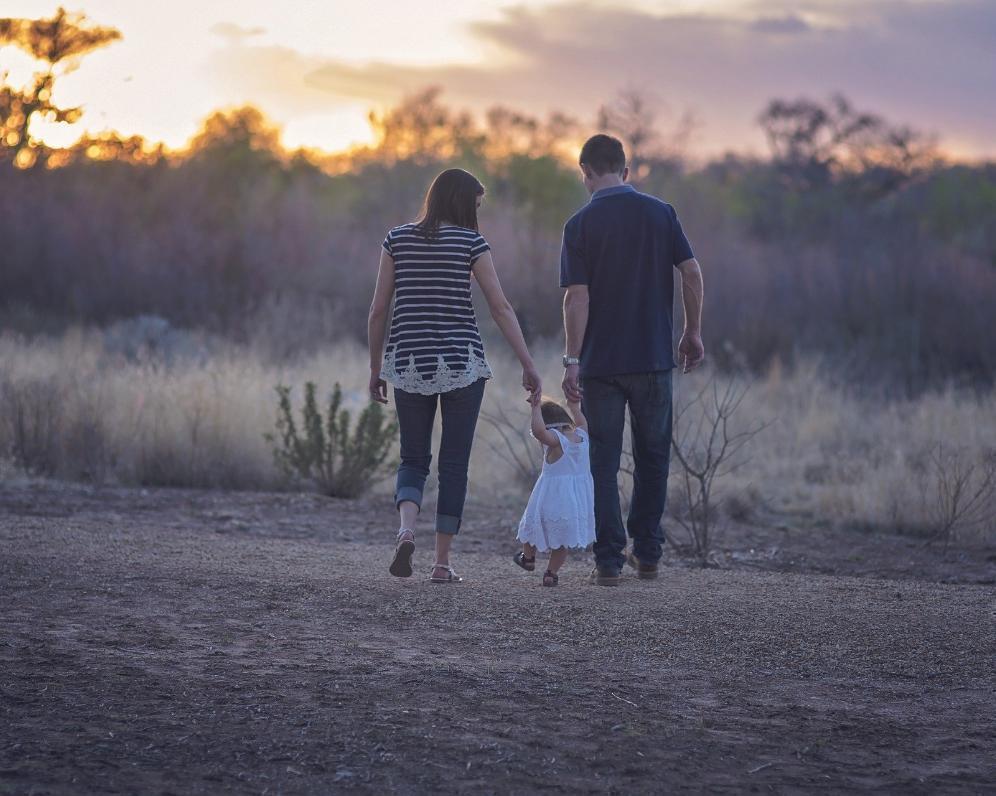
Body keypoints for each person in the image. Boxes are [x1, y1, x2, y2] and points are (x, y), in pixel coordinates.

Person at [368, 168, 542, 583]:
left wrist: (376, 368)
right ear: (463, 203)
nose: (477, 213)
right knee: (454, 465)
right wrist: (528, 363)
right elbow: (500, 308)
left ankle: (407, 529)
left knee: (412, 458)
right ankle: (442, 564)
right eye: (476, 205)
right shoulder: (471, 243)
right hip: (462, 364)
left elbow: (378, 310)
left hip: (408, 363)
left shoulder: (396, 239)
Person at [560, 134, 705, 586]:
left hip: (602, 364)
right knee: (653, 457)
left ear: (585, 172)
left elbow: (576, 299)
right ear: (626, 170)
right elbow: (692, 272)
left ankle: (607, 561)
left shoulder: (579, 225)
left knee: (602, 462)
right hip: (654, 359)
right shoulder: (661, 213)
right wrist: (692, 331)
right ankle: (648, 554)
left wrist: (571, 359)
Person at [513, 394, 596, 587]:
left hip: (551, 498)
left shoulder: (556, 440)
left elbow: (539, 431)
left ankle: (528, 558)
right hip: (574, 501)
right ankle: (551, 573)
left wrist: (535, 408)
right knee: (561, 541)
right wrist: (574, 406)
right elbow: (581, 420)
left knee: (531, 527)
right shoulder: (582, 436)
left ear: (550, 426)